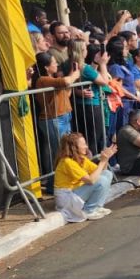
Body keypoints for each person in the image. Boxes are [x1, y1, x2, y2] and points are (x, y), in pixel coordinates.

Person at [32, 52, 81, 193]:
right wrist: (74, 76)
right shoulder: (42, 80)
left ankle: (56, 183)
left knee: (64, 151)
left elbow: (67, 93)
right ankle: (53, 185)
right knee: (60, 153)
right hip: (53, 120)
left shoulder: (53, 80)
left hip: (64, 117)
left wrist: (71, 77)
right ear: (47, 67)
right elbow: (66, 82)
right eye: (54, 63)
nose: (56, 65)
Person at [54, 132, 116, 222]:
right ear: (74, 147)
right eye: (83, 144)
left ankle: (97, 207)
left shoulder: (81, 158)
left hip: (76, 192)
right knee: (101, 180)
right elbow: (91, 180)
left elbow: (101, 171)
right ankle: (89, 210)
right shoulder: (67, 162)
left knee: (107, 174)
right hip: (66, 197)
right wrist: (102, 161)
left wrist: (106, 158)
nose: (86, 147)